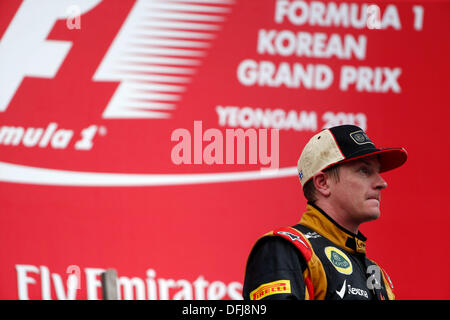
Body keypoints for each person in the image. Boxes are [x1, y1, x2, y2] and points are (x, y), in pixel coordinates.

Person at [243, 125, 407, 300]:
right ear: (323, 183)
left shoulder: (377, 275)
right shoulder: (286, 249)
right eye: (364, 171)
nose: (382, 182)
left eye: (378, 171)